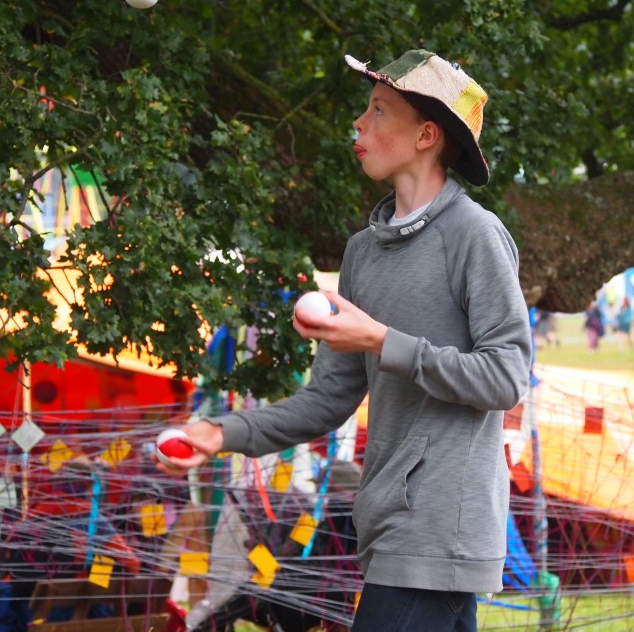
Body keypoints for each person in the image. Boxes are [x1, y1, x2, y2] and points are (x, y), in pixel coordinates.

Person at [158, 49, 532, 632]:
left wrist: (383, 340)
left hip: (440, 534)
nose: (359, 124)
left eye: (379, 111)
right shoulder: (362, 252)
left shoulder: (476, 235)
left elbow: (506, 378)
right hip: (383, 526)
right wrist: (220, 432)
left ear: (426, 135)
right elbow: (327, 400)